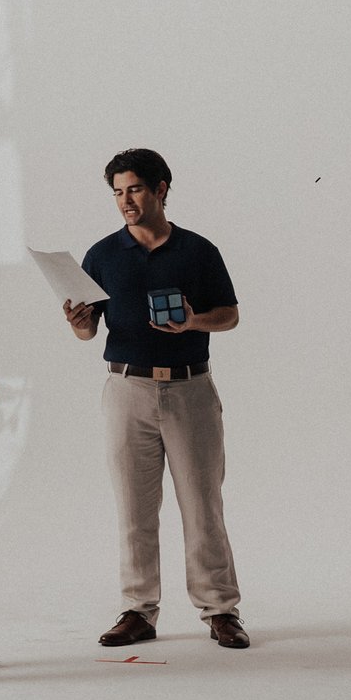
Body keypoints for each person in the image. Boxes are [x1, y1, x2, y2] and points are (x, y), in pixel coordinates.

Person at [63, 148, 248, 650]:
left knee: (203, 505)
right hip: (127, 389)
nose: (126, 201)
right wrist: (80, 324)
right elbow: (88, 331)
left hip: (190, 390)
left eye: (135, 190)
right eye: (118, 192)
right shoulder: (101, 255)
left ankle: (220, 610)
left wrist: (192, 322)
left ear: (161, 189)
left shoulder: (198, 251)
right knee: (134, 508)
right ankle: (137, 610)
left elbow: (230, 314)